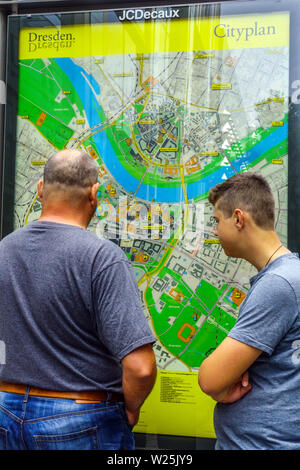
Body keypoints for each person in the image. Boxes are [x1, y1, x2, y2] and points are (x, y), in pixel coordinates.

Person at [0, 149, 157, 450]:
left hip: (6, 413)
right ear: (94, 194)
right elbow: (141, 368)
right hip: (81, 420)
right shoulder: (101, 258)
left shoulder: (4, 249)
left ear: (41, 190)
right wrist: (132, 408)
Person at [198, 172, 300, 450]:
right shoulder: (291, 274)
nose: (215, 231)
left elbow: (210, 379)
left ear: (239, 219)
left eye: (218, 220)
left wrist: (221, 386)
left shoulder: (278, 284)